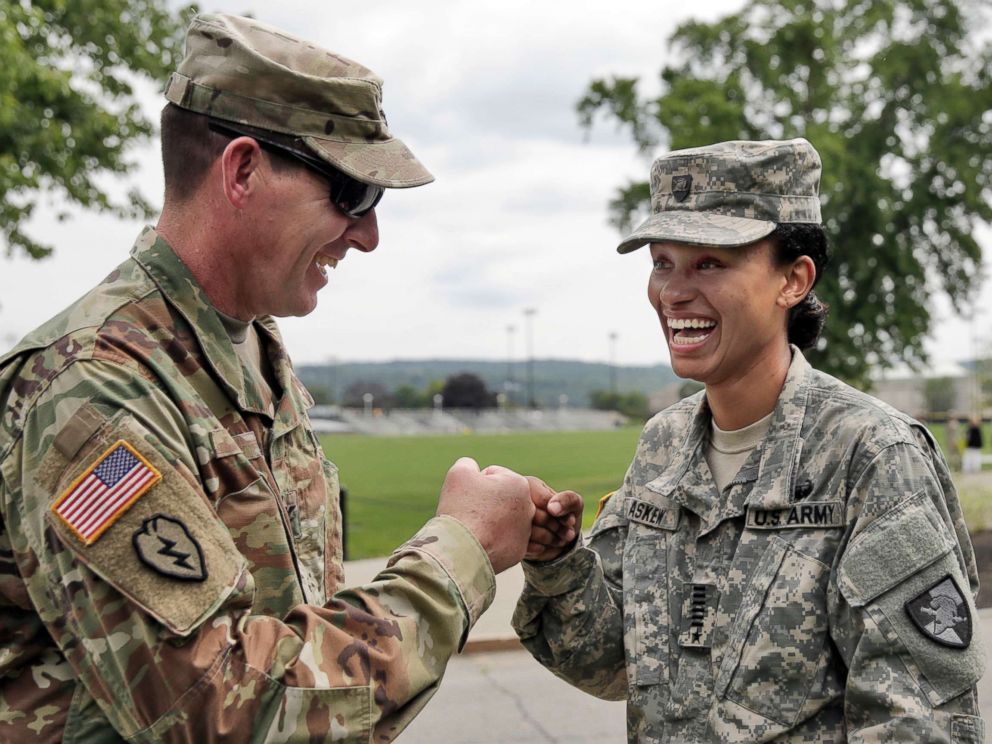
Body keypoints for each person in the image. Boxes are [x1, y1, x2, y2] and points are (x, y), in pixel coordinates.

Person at [0, 14, 559, 742]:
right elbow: (232, 710)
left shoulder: (251, 354)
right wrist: (462, 548)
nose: (368, 235)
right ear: (241, 171)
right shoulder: (92, 391)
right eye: (352, 195)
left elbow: (291, 633)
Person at [515, 139, 986, 741]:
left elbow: (922, 723)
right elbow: (610, 664)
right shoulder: (664, 445)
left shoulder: (871, 457)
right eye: (662, 262)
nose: (673, 292)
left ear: (793, 279)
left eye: (710, 263)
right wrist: (558, 562)